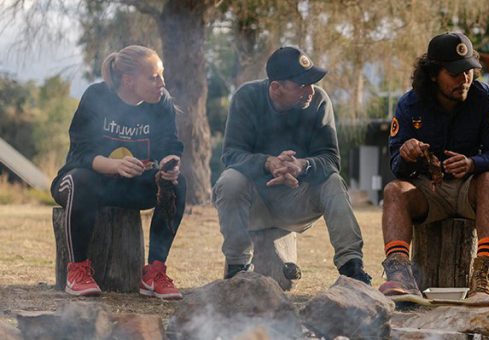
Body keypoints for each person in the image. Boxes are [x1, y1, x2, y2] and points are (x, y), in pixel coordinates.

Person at [214, 46, 371, 284]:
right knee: (230, 180)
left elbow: (331, 160)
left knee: (334, 182)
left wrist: (301, 165)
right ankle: (237, 269)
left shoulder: (318, 101)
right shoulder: (247, 97)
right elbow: (231, 155)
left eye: (311, 83)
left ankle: (352, 268)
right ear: (276, 88)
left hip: (297, 200)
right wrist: (268, 163)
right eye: (301, 85)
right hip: (255, 202)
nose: (310, 90)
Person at [380, 32, 489, 298]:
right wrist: (407, 155)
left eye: (469, 71)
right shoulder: (409, 104)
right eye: (454, 73)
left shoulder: (487, 97)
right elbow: (397, 166)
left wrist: (473, 163)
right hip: (429, 192)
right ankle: (399, 276)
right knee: (394, 190)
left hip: (472, 190)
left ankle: (484, 276)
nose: (464, 79)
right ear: (432, 75)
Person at [52, 45, 186, 299]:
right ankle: (77, 270)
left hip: (130, 188)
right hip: (83, 185)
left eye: (162, 75)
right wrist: (114, 165)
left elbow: (170, 145)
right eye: (153, 77)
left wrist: (170, 164)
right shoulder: (97, 96)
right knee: (82, 180)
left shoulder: (161, 102)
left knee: (178, 184)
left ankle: (154, 273)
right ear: (128, 80)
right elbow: (79, 153)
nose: (162, 83)